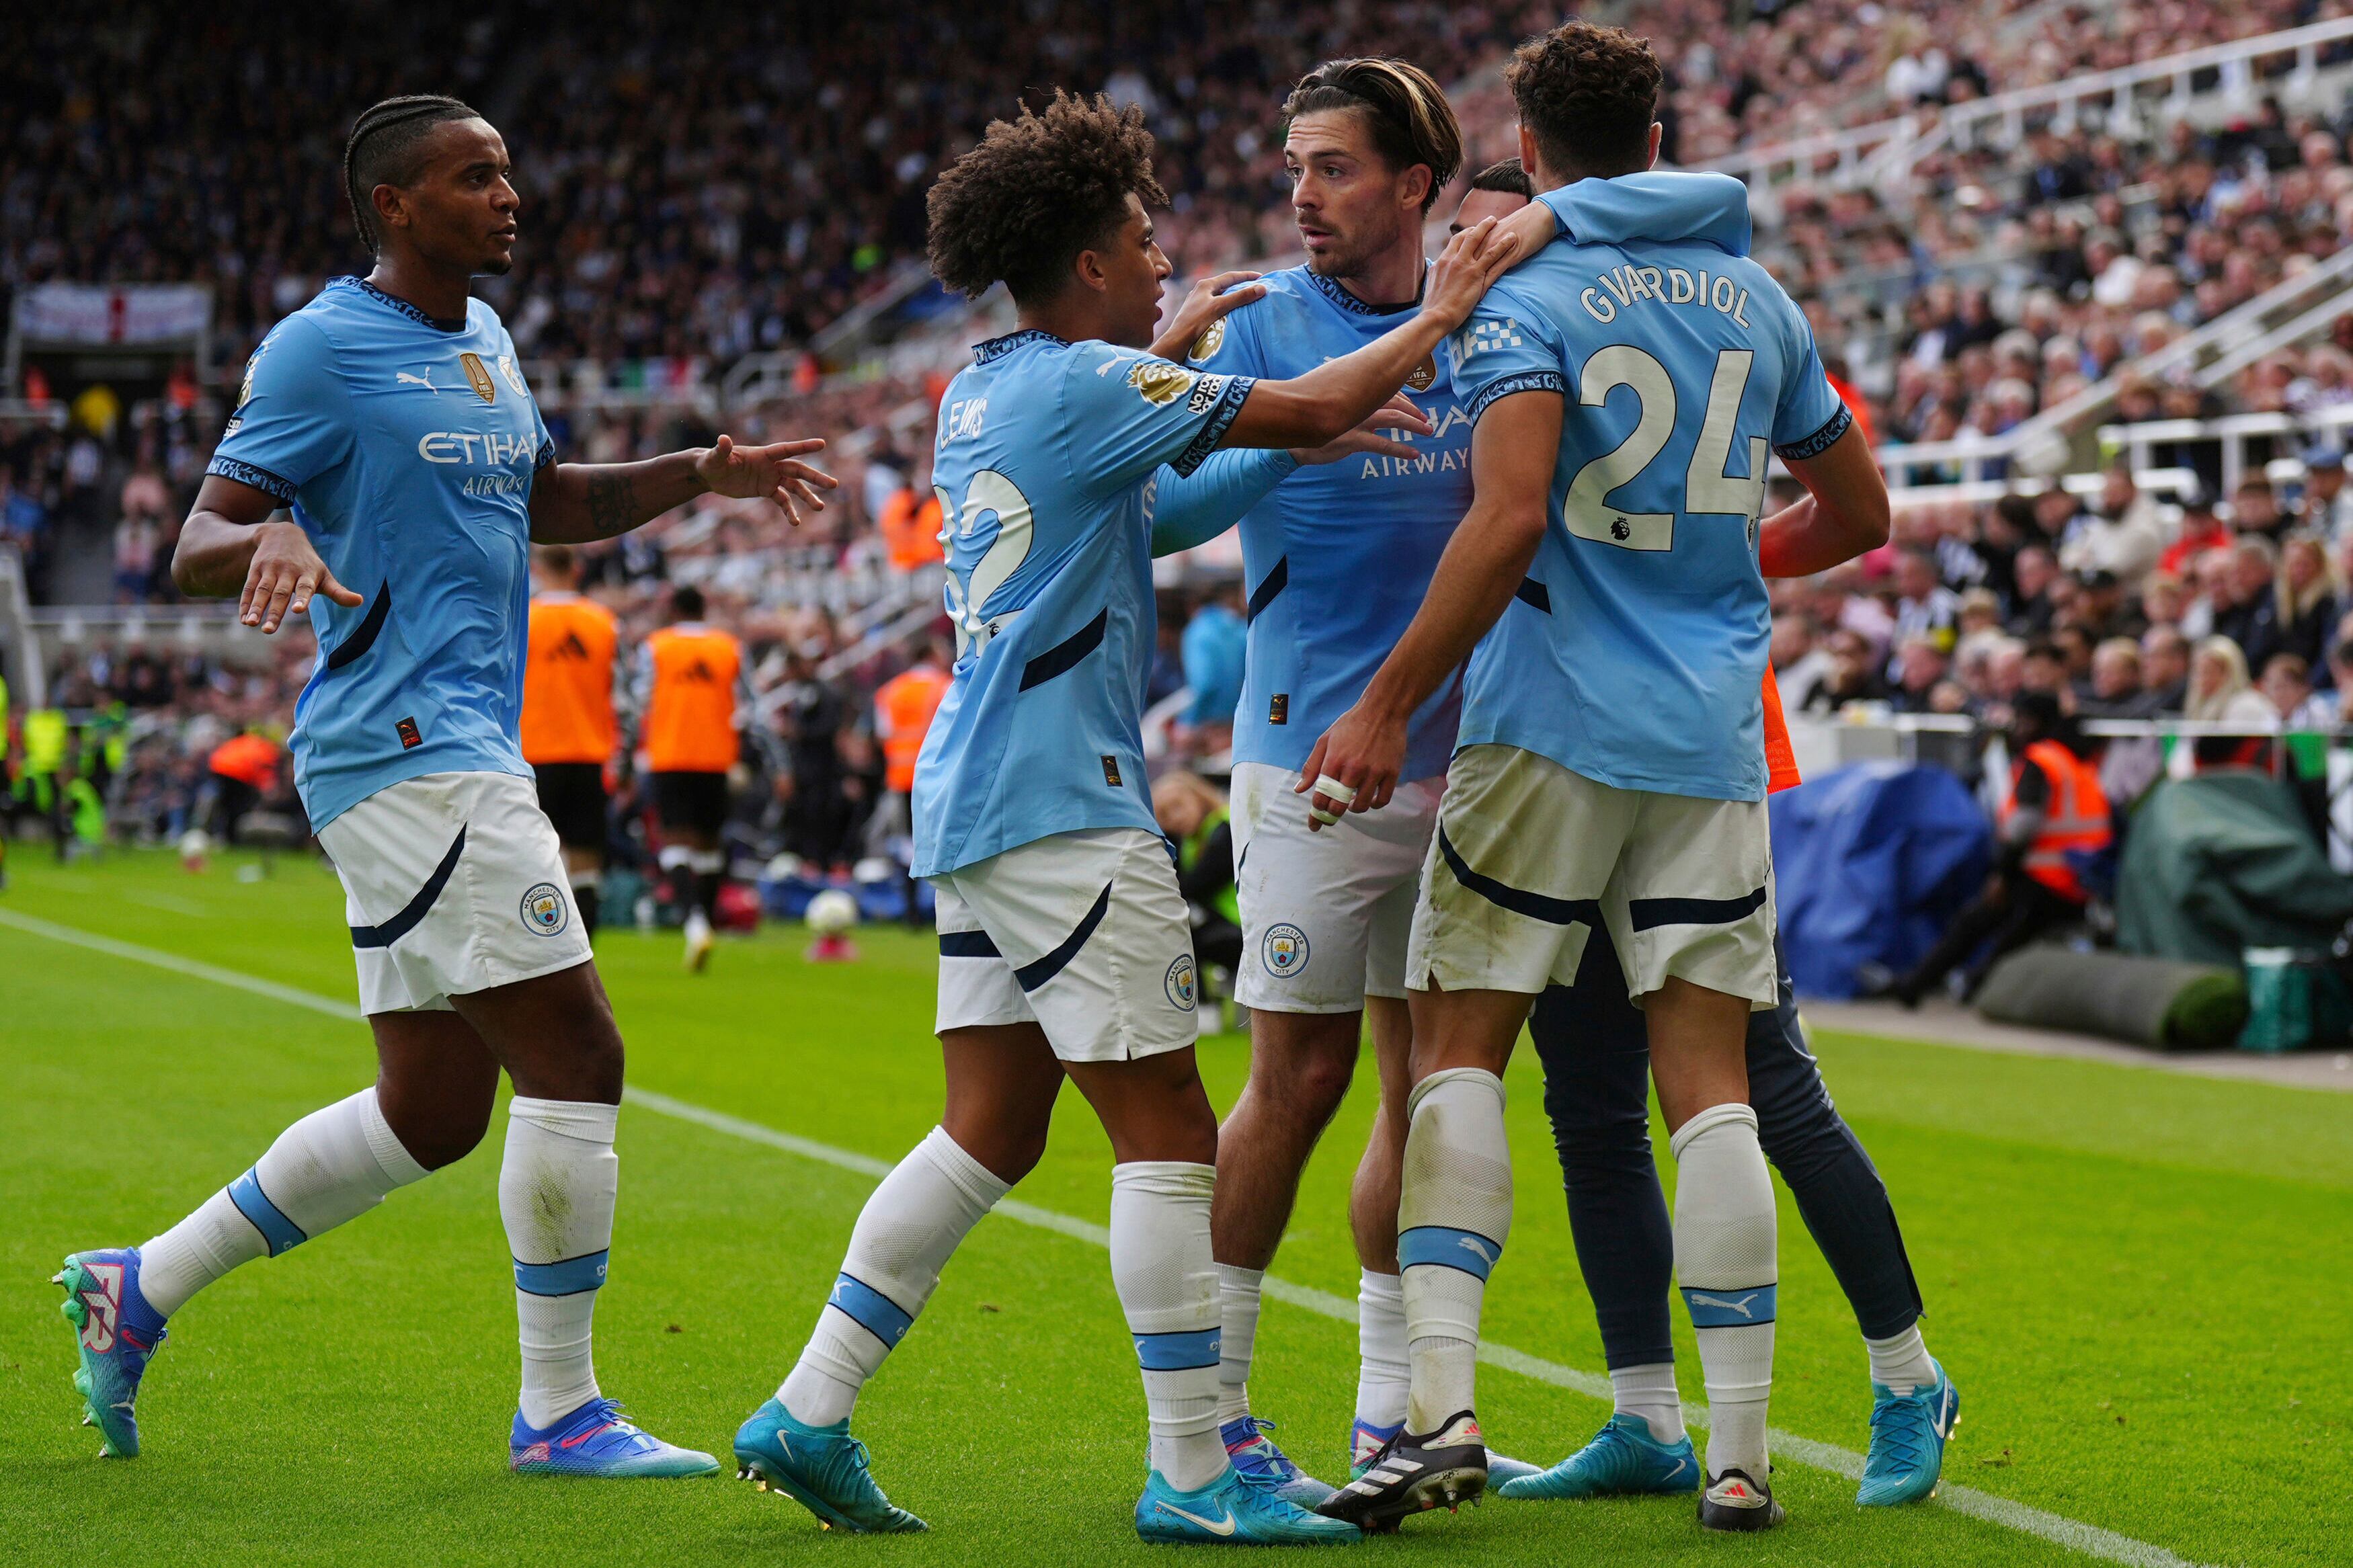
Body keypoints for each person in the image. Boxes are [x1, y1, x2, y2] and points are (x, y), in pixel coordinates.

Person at [731, 89, 1509, 1546]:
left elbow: (1147, 503)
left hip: (973, 791)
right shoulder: (1094, 380)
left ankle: (809, 1405)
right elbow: (1327, 400)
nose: (1166, 263)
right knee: (1169, 1125)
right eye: (1144, 241)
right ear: (1087, 261)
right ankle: (1195, 1467)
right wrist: (1439, 311)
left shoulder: (992, 382)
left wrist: (1231, 407)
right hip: (1064, 802)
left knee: (990, 1125)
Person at [59, 93, 833, 1476]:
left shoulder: (486, 338)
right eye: (475, 177)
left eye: (509, 172)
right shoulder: (317, 347)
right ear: (397, 206)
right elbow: (197, 536)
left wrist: (697, 475)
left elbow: (554, 500)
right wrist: (274, 528)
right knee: (580, 1049)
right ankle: (560, 1410)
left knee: (431, 1107)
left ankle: (142, 1284)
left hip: (457, 743)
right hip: (411, 746)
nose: (508, 194)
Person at [1304, 22, 1890, 1534]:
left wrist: (1381, 705)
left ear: (1528, 135)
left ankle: (1437, 1413)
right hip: (1702, 737)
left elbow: (1503, 523)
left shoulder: (1523, 282)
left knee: (1457, 1051)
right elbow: (1859, 509)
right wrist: (1716, 579)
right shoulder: (1759, 296)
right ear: (1654, 130)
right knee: (1713, 1092)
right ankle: (1741, 1451)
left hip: (1548, 720)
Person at [1885, 692, 2109, 1005]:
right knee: (1999, 932)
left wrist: (2002, 873)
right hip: (2077, 876)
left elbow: (2023, 826)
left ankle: (1931, 985)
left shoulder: (2040, 760)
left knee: (1985, 928)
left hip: (2047, 874)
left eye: (2026, 720)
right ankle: (1936, 984)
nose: (2019, 728)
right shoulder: (2072, 760)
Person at [637, 583, 744, 971]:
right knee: (710, 846)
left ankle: (696, 923)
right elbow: (749, 705)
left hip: (669, 756)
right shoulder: (729, 647)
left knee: (675, 843)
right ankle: (708, 921)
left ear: (673, 610)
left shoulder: (657, 647)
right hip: (717, 758)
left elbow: (638, 699)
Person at [521, 544, 619, 934]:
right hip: (589, 751)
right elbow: (622, 691)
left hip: (535, 751)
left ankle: (543, 940)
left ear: (540, 568)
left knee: (535, 852)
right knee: (586, 857)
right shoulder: (603, 621)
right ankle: (586, 947)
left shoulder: (523, 619)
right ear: (577, 569)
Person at [872, 636, 953, 924]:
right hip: (938, 775)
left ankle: (910, 911)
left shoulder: (890, 691)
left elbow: (883, 732)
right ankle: (941, 908)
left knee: (908, 843)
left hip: (901, 776)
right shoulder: (944, 685)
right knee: (942, 839)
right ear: (931, 653)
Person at [1153, 768, 1242, 977]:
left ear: (1197, 795)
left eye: (1178, 806)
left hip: (1241, 925)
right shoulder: (1191, 840)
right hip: (1227, 923)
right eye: (1164, 815)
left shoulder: (1225, 827)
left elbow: (1193, 887)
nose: (1175, 818)